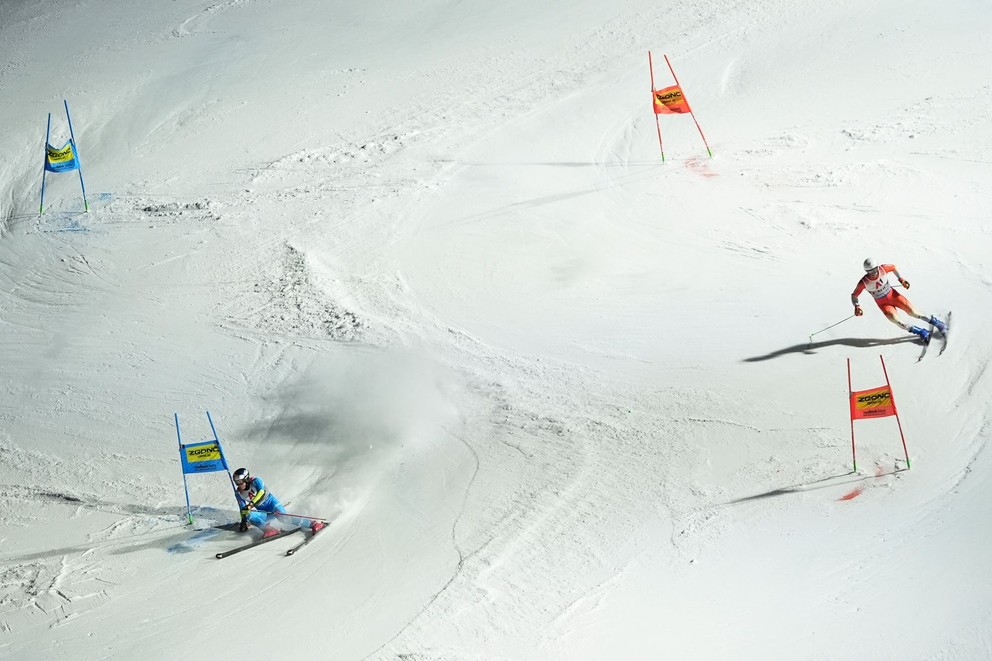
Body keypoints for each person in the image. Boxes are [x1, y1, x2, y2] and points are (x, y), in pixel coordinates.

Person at [851, 258, 946, 343]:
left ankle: (938, 323)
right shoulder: (863, 282)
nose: (874, 273)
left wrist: (901, 279)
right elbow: (854, 295)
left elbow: (893, 267)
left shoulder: (883, 269)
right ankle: (920, 332)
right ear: (866, 271)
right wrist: (857, 306)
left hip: (894, 296)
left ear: (877, 267)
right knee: (897, 321)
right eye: (870, 271)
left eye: (875, 269)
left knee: (913, 312)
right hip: (883, 304)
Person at [233, 467, 325, 538]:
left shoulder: (256, 481)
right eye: (236, 482)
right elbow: (242, 509)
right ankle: (269, 530)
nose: (239, 485)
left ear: (246, 479)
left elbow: (261, 492)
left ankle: (313, 524)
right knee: (248, 514)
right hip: (264, 513)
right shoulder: (239, 493)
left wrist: (251, 504)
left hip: (272, 505)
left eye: (240, 481)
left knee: (283, 518)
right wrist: (244, 522)